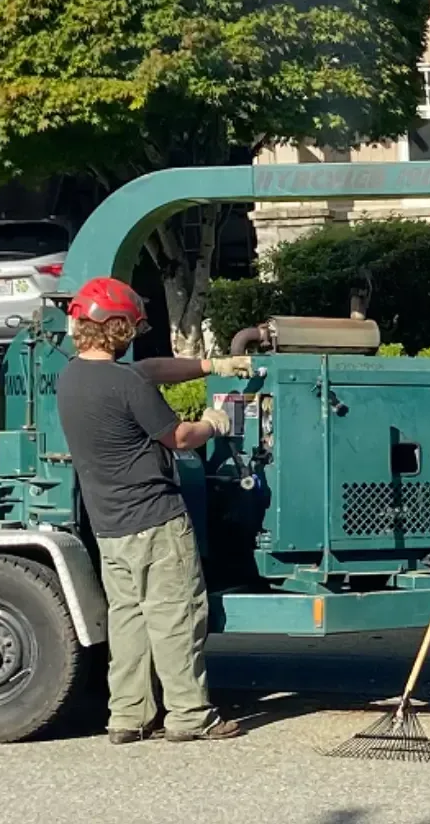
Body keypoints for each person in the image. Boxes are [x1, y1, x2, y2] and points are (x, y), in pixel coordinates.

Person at [55, 276, 252, 743]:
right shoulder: (125, 385)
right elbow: (177, 437)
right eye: (132, 328)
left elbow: (149, 369)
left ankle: (127, 717)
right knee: (176, 617)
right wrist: (210, 423)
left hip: (109, 528)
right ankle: (189, 717)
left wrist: (210, 363)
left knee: (129, 621)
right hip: (155, 521)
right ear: (119, 328)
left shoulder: (72, 378)